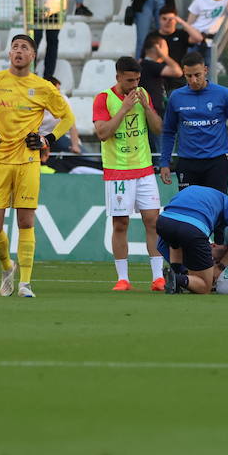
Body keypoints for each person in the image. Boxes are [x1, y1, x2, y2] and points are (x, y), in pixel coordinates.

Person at [0, 34, 76, 298]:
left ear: (32, 56)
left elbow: (67, 117)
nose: (18, 51)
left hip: (27, 162)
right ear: (9, 54)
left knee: (25, 221)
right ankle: (7, 266)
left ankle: (25, 283)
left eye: (24, 48)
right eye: (15, 47)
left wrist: (47, 139)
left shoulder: (43, 87)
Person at [93, 56, 166, 291]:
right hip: (118, 172)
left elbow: (157, 128)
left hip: (144, 169)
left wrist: (146, 107)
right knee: (121, 224)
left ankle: (158, 278)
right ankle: (123, 278)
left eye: (137, 80)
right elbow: (103, 133)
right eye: (129, 80)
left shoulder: (143, 94)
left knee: (153, 222)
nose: (134, 85)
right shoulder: (104, 98)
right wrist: (124, 109)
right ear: (118, 77)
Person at [158, 52, 228, 194]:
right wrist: (164, 162)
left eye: (197, 75)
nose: (193, 80)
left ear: (205, 70)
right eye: (189, 76)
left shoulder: (223, 94)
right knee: (188, 209)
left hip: (216, 163)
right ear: (184, 73)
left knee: (216, 208)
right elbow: (169, 131)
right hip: (187, 163)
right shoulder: (176, 96)